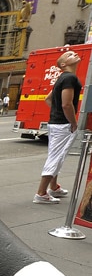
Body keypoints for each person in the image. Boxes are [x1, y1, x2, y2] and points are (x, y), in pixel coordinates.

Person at [33, 49, 81, 204]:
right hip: (63, 124)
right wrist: (73, 122)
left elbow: (49, 99)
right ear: (63, 64)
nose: (74, 54)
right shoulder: (69, 78)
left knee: (57, 155)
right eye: (69, 55)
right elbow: (67, 104)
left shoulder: (63, 78)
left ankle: (53, 186)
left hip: (57, 123)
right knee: (56, 157)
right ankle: (41, 193)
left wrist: (57, 112)